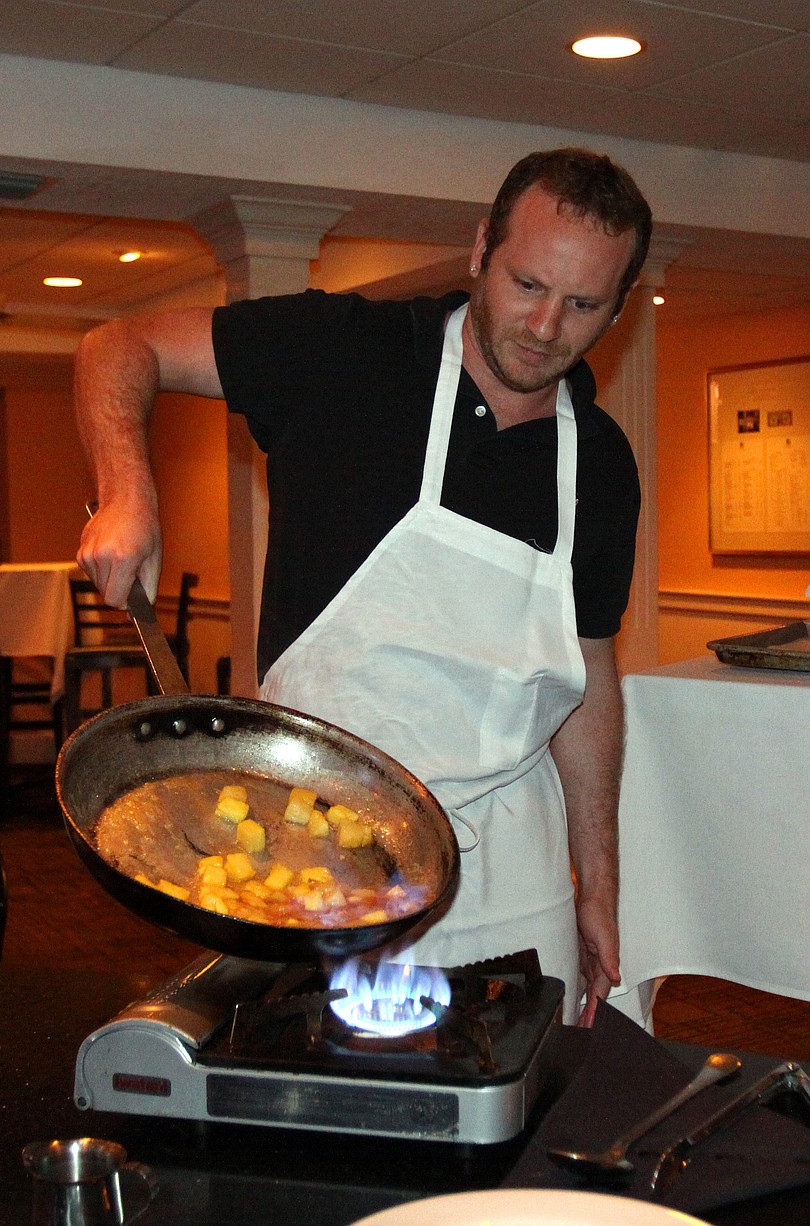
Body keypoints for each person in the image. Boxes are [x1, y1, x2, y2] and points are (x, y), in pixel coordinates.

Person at [75, 147, 652, 1027]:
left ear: (618, 307)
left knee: (520, 1123)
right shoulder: (347, 354)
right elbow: (119, 345)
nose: (544, 326)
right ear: (479, 250)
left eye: (582, 305)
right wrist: (128, 491)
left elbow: (589, 679)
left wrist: (599, 883)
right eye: (527, 284)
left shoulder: (600, 463)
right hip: (316, 849)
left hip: (509, 869)